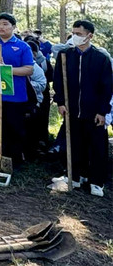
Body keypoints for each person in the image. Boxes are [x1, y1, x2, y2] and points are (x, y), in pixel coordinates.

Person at [53, 20, 112, 197]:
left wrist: (102, 111)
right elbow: (58, 81)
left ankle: (96, 181)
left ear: (89, 36)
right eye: (73, 33)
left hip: (94, 112)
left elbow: (107, 87)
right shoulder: (65, 55)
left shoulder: (101, 58)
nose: (75, 37)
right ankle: (75, 176)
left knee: (96, 147)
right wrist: (61, 102)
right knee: (74, 144)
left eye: (78, 34)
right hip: (71, 110)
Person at [0, 12, 34, 168]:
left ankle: (15, 161)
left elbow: (29, 69)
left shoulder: (23, 46)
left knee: (15, 130)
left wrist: (6, 70)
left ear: (13, 27)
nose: (1, 27)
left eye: (5, 24)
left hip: (15, 96)